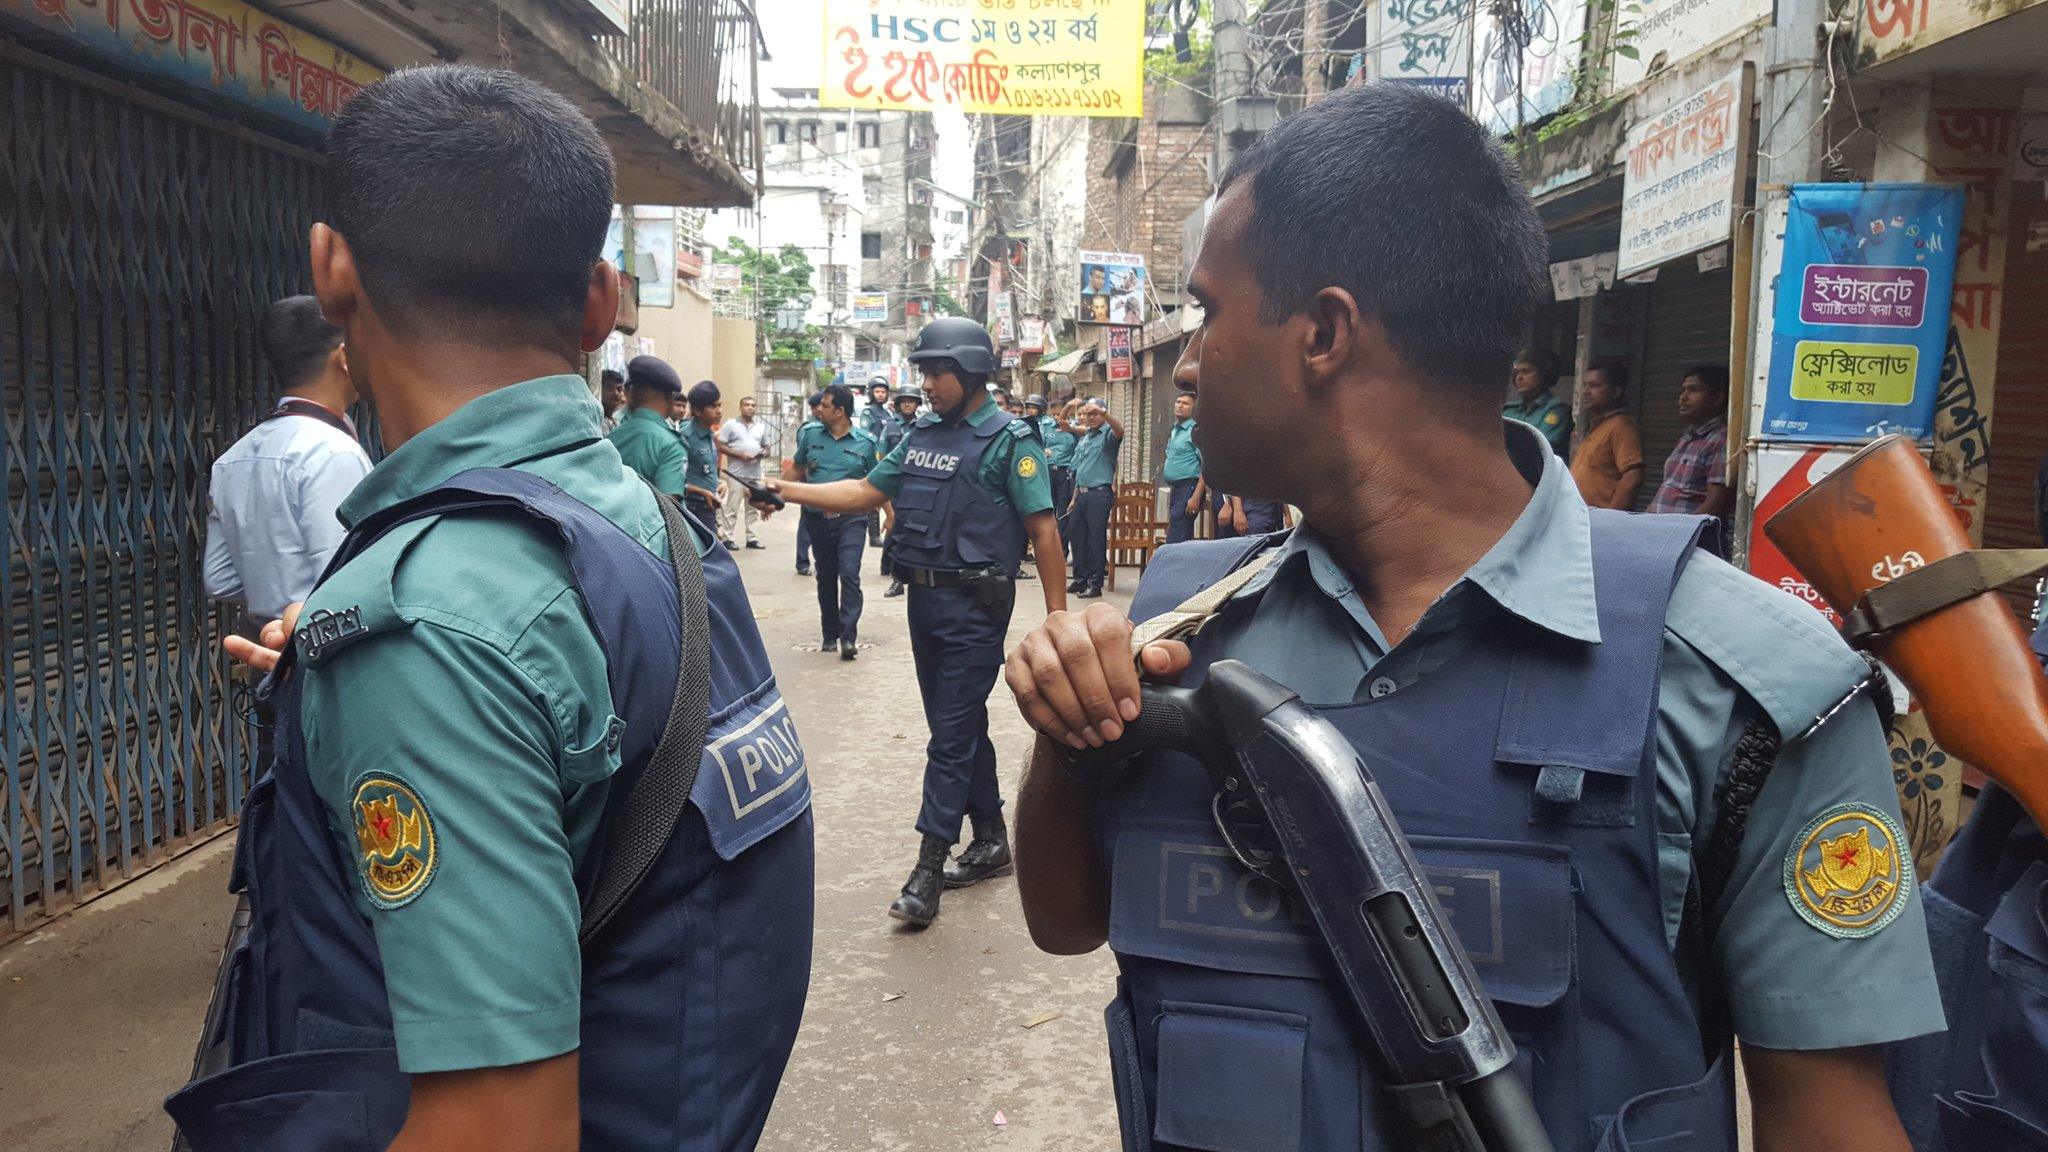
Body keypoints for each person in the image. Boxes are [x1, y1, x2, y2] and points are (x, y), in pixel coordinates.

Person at [1002, 82, 1938, 1152]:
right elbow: (1064, 920)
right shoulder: (1177, 632)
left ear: (1322, 334)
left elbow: (1829, 1118)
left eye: (1209, 312)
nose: (1193, 358)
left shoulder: (1741, 687)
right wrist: (1064, 740)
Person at [167, 64, 812, 1152]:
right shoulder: (643, 520)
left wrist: (405, 674)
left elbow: (499, 1130)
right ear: (600, 302)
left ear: (332, 273)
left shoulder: (427, 626)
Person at [755, 317, 1065, 926]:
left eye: (937, 371)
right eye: (923, 371)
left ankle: (928, 866)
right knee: (959, 721)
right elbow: (866, 492)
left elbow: (1045, 532)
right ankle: (993, 839)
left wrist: (1059, 620)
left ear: (972, 373)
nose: (926, 383)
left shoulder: (1010, 441)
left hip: (977, 605)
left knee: (948, 736)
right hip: (925, 603)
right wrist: (784, 491)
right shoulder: (921, 434)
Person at [205, 295, 374, 771]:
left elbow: (219, 580)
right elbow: (346, 582)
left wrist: (273, 580)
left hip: (268, 666)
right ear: (343, 355)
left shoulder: (233, 457)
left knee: (277, 804)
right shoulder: (333, 453)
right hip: (327, 674)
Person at [790, 384, 880, 660]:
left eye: (825, 405)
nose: (819, 409)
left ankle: (848, 637)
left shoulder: (866, 442)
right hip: (818, 519)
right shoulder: (810, 436)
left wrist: (892, 514)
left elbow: (877, 481)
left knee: (849, 573)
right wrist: (772, 492)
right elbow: (797, 469)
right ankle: (829, 633)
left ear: (840, 411)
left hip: (852, 519)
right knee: (826, 576)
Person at [1648, 365, 1732, 520]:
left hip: (1686, 538)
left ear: (1718, 398)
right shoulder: (1687, 437)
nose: (1683, 397)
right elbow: (1667, 488)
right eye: (1683, 390)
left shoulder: (1720, 440)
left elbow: (1715, 503)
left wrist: (1682, 533)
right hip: (1662, 532)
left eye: (1694, 390)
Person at [607, 354, 689, 498]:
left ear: (632, 394)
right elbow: (670, 507)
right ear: (669, 397)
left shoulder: (612, 437)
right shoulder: (670, 444)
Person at [1065, 397, 1123, 598]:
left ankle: (1095, 584)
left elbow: (1120, 431)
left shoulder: (1107, 435)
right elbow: (1081, 469)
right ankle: (1080, 579)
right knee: (1076, 536)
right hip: (1081, 493)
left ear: (1103, 413)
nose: (1090, 417)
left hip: (1099, 493)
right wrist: (1074, 498)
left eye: (1094, 414)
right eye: (1088, 414)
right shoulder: (1087, 436)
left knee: (1095, 539)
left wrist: (1104, 413)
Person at [1570, 358, 1645, 511]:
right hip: (1583, 520)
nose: (1586, 392)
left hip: (1601, 522)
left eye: (1595, 386)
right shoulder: (1597, 426)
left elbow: (1633, 476)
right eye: (1585, 385)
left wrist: (1611, 518)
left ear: (1616, 391)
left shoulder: (1622, 426)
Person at [881, 385, 923, 598]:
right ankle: (897, 580)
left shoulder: (924, 426)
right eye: (904, 400)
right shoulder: (889, 426)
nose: (908, 404)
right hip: (896, 487)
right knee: (897, 529)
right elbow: (882, 456)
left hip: (918, 487)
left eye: (912, 400)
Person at [717, 393, 768, 550]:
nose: (750, 407)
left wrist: (764, 453)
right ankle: (727, 537)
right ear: (741, 407)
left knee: (752, 507)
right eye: (747, 405)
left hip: (755, 474)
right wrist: (740, 455)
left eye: (753, 405)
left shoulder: (761, 427)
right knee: (732, 508)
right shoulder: (731, 425)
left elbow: (767, 447)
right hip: (736, 474)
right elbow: (720, 445)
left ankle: (751, 538)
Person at [1506, 346, 1572, 459]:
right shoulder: (1509, 410)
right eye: (1516, 372)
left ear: (1544, 374)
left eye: (1526, 372)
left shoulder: (1556, 410)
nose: (1519, 378)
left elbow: (1541, 447)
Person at [1160, 389, 1206, 544]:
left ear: (1194, 408)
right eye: (1178, 402)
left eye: (1185, 403)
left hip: (1189, 489)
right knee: (1176, 533)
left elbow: (1206, 466)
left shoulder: (1195, 431)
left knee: (1177, 538)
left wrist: (1196, 497)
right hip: (1177, 490)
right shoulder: (1176, 429)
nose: (1180, 406)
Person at [680, 380, 726, 527]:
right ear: (698, 411)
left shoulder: (710, 434)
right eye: (713, 406)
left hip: (709, 506)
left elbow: (704, 471)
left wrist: (720, 483)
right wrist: (702, 492)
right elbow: (675, 480)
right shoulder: (685, 437)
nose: (719, 411)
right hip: (693, 507)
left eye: (720, 405)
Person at [860, 376, 897, 546]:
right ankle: (873, 535)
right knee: (874, 496)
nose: (880, 395)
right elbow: (866, 437)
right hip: (872, 458)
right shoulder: (868, 412)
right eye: (877, 391)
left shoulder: (889, 413)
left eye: (883, 392)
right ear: (871, 393)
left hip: (887, 458)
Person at [599, 367, 625, 433]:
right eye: (610, 388)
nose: (616, 393)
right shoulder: (598, 420)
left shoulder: (616, 420)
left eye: (619, 389)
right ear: (600, 390)